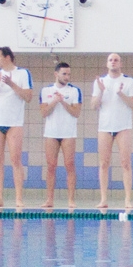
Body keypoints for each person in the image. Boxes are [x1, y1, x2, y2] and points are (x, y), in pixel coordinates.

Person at [0, 46, 34, 209]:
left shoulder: (23, 73)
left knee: (15, 160)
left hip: (14, 122)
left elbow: (28, 97)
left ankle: (19, 198)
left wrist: (11, 83)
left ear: (7, 57)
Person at [92, 53, 133, 210]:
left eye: (116, 60)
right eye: (111, 60)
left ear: (121, 63)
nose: (113, 62)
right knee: (103, 163)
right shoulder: (100, 82)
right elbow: (93, 106)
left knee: (126, 163)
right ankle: (103, 198)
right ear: (107, 64)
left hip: (123, 127)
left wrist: (120, 93)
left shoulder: (128, 81)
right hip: (104, 127)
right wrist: (100, 91)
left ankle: (127, 199)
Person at [39, 61, 82, 210]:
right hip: (51, 133)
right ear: (56, 74)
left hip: (68, 133)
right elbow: (44, 113)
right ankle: (49, 199)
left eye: (69, 74)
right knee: (51, 166)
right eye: (64, 74)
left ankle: (71, 199)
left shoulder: (74, 91)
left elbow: (76, 113)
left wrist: (63, 102)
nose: (67, 77)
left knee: (69, 165)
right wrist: (54, 101)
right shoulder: (46, 90)